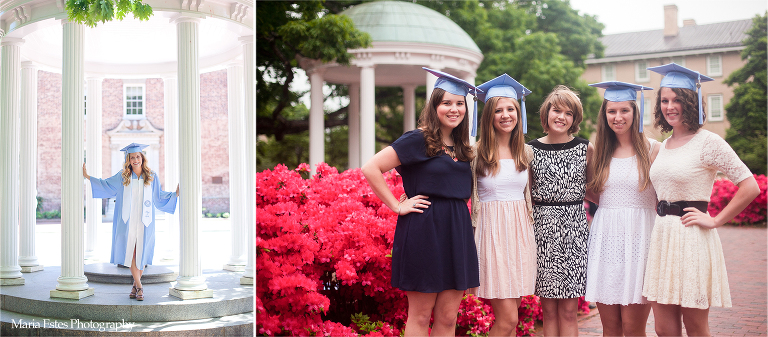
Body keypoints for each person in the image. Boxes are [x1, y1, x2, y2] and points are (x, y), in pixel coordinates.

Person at [642, 63, 759, 336]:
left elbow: (750, 185)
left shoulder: (708, 142)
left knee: (695, 327)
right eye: (665, 100)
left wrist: (716, 219)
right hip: (662, 239)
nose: (670, 106)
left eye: (677, 100)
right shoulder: (665, 145)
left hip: (691, 238)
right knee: (664, 329)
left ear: (691, 102)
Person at [361, 67, 480, 336]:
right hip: (424, 230)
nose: (454, 109)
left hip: (456, 231)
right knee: (420, 315)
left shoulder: (462, 149)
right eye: (446, 103)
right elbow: (371, 167)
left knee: (449, 318)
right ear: (434, 106)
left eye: (459, 103)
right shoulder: (418, 139)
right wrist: (396, 205)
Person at [584, 81, 660, 336]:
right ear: (604, 115)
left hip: (640, 242)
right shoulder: (599, 152)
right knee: (611, 327)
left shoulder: (653, 150)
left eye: (624, 110)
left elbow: (663, 197)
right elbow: (594, 193)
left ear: (634, 113)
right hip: (606, 240)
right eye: (611, 111)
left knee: (633, 326)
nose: (618, 117)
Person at [469, 74, 535, 336]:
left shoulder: (525, 152)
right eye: (498, 110)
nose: (505, 115)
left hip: (520, 237)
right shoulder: (475, 153)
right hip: (492, 236)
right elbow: (455, 190)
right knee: (507, 320)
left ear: (519, 113)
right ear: (488, 116)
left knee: (512, 321)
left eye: (511, 109)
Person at [527, 85, 594, 337]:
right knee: (549, 312)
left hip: (574, 231)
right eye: (556, 110)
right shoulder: (530, 150)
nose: (561, 117)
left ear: (574, 119)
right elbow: (526, 195)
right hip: (543, 230)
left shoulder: (585, 148)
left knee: (568, 311)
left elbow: (595, 190)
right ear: (546, 114)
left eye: (568, 113)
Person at [82, 143, 179, 301]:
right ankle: (140, 287)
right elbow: (105, 184)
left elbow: (158, 196)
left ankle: (135, 285)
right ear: (128, 160)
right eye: (132, 157)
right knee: (131, 253)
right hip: (126, 221)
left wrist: (174, 194)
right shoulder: (123, 176)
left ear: (142, 158)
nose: (135, 159)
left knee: (141, 253)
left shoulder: (152, 176)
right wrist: (87, 177)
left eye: (138, 156)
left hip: (145, 221)